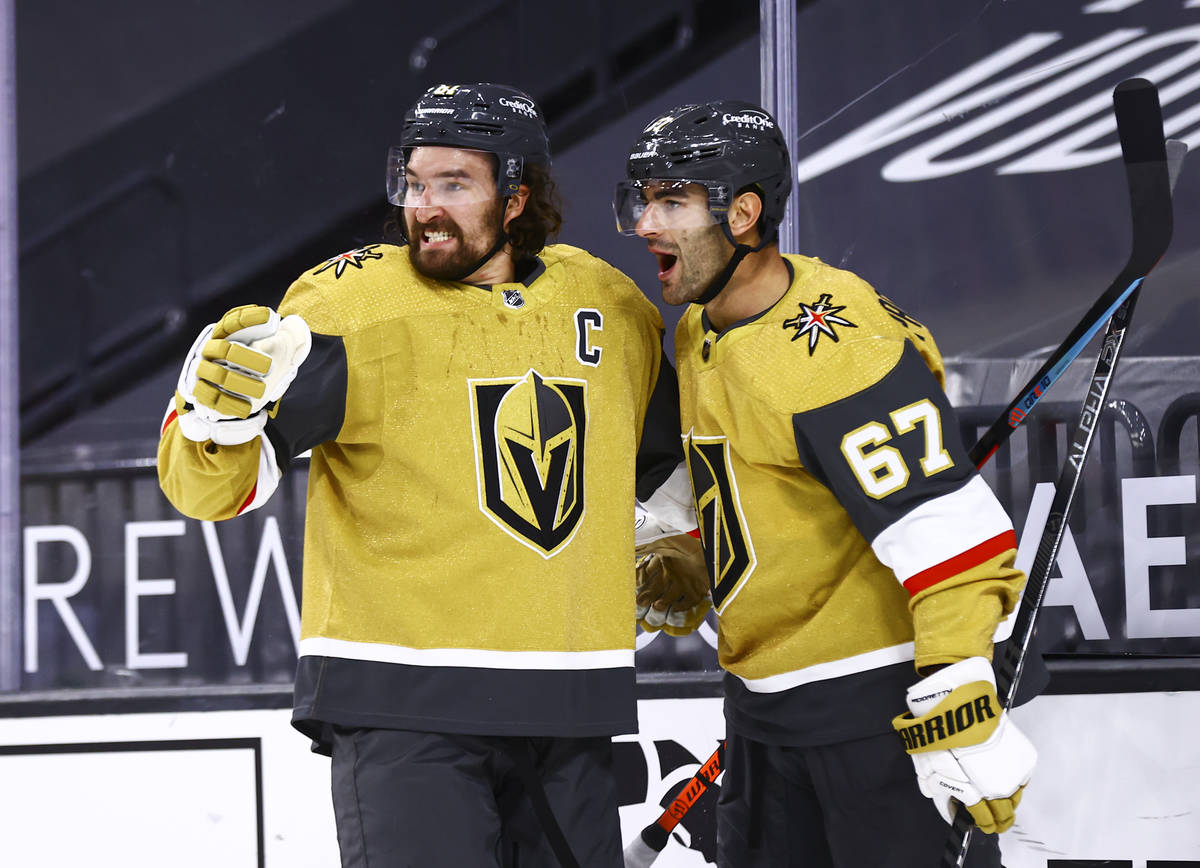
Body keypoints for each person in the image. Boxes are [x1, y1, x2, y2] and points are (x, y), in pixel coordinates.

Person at [157, 82, 699, 868]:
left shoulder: (610, 306)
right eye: (414, 183)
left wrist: (679, 541)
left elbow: (667, 471)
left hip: (573, 704)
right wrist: (212, 420)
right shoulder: (350, 306)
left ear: (517, 196)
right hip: (404, 708)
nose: (425, 206)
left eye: (454, 184)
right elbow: (213, 490)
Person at [614, 100, 1038, 867]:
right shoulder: (700, 326)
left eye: (671, 201)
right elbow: (754, 477)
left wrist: (957, 694)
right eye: (643, 200)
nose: (647, 224)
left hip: (869, 720)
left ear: (743, 213)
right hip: (762, 715)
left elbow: (951, 536)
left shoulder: (833, 350)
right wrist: (689, 544)